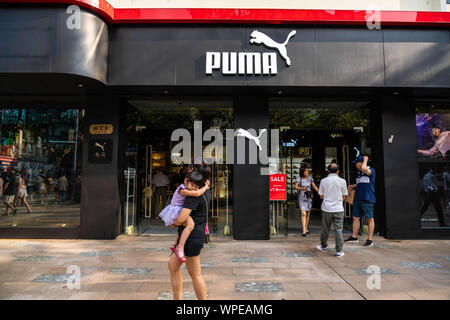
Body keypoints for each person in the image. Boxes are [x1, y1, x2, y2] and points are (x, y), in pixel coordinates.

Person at [168, 164, 210, 300]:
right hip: (190, 236)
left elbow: (181, 219)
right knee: (172, 267)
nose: (188, 173)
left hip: (191, 238)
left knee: (195, 274)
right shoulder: (204, 190)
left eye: (191, 171)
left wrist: (174, 222)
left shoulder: (194, 195)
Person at [160, 171, 210, 262]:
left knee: (183, 228)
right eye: (192, 185)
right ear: (185, 181)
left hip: (178, 210)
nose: (194, 188)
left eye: (196, 187)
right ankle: (180, 247)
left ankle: (175, 244)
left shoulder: (187, 188)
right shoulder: (182, 190)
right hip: (176, 210)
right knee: (190, 225)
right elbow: (197, 193)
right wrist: (205, 187)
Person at [316, 163, 348, 257]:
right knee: (338, 230)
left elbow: (321, 195)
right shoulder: (342, 181)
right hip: (338, 208)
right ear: (338, 171)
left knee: (325, 228)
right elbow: (345, 195)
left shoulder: (323, 181)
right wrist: (338, 201)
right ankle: (339, 251)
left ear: (328, 171)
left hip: (327, 208)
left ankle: (323, 246)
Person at [346, 155, 376, 247]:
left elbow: (364, 168)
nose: (355, 165)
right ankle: (354, 236)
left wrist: (365, 160)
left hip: (367, 199)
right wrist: (354, 186)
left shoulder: (370, 170)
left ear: (361, 163)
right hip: (358, 198)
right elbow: (361, 183)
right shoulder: (359, 173)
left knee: (369, 218)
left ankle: (370, 239)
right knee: (356, 217)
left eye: (357, 163)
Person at [294, 167, 319, 236]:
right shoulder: (299, 178)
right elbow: (295, 187)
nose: (307, 172)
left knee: (308, 214)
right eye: (306, 171)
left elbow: (314, 186)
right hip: (301, 198)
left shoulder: (310, 178)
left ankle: (306, 228)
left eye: (307, 171)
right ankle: (304, 230)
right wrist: (302, 188)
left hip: (309, 198)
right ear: (302, 172)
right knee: (303, 213)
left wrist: (320, 192)